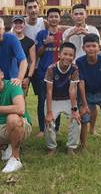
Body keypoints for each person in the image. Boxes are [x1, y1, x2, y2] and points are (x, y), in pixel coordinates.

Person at [63, 3, 101, 136]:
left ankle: (92, 128)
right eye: (76, 14)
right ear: (72, 16)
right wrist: (71, 35)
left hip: (90, 68)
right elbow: (64, 49)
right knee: (75, 98)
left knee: (92, 100)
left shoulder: (93, 29)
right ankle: (76, 126)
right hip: (73, 68)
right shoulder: (67, 32)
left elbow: (97, 47)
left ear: (86, 15)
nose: (78, 16)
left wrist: (87, 34)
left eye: (81, 13)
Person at [44, 42, 81, 155]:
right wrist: (49, 112)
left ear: (74, 57)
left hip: (67, 99)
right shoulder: (51, 69)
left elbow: (73, 89)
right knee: (49, 122)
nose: (67, 57)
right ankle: (51, 147)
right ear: (59, 54)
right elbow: (49, 91)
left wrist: (74, 110)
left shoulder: (74, 69)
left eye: (71, 55)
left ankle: (71, 147)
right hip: (53, 99)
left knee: (76, 120)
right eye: (65, 54)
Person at [34, 8, 64, 137]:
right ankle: (42, 129)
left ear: (59, 18)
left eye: (56, 16)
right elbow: (38, 53)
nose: (53, 19)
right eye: (51, 17)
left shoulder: (63, 35)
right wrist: (46, 44)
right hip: (43, 72)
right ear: (47, 19)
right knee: (42, 100)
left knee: (57, 100)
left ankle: (56, 128)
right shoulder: (41, 34)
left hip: (59, 72)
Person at [11, 15, 36, 96]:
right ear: (12, 25)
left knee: (21, 99)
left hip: (24, 74)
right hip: (9, 74)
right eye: (16, 23)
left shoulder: (30, 42)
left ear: (24, 25)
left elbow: (33, 61)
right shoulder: (8, 40)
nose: (18, 25)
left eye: (20, 23)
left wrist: (28, 78)